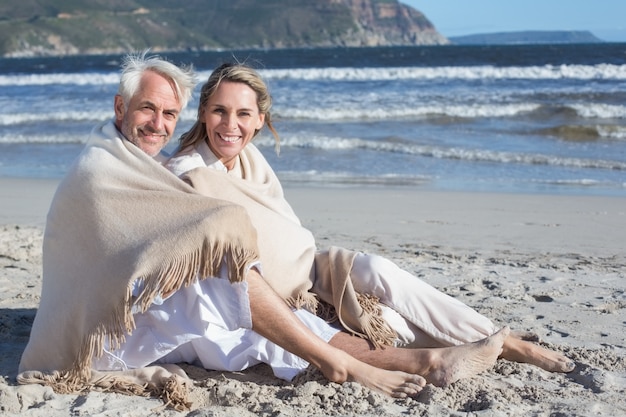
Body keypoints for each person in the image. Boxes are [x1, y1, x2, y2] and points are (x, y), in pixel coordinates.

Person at [17, 53, 508, 410]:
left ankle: (415, 359)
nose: (158, 124)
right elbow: (165, 235)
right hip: (98, 336)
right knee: (224, 285)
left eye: (169, 114)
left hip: (127, 308)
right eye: (147, 109)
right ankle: (356, 362)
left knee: (238, 312)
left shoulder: (137, 164)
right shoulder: (99, 169)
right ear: (120, 108)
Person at [165, 62, 576, 378]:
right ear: (203, 113)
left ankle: (496, 338)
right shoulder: (188, 174)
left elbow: (282, 230)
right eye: (219, 111)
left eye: (242, 114)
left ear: (260, 120)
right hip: (278, 297)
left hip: (313, 269)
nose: (230, 125)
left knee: (376, 268)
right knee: (394, 324)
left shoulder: (251, 159)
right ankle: (497, 345)